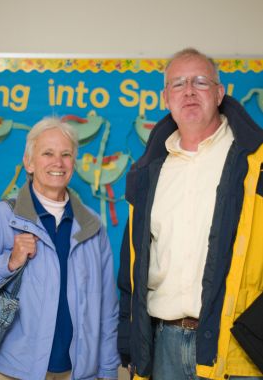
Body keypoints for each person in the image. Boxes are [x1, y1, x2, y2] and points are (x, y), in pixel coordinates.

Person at [117, 48, 263, 380]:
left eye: (200, 81)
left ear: (220, 93)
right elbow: (132, 266)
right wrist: (128, 338)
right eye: (178, 83)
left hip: (237, 347)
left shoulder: (257, 162)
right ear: (165, 97)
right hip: (163, 343)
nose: (189, 91)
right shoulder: (147, 173)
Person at [0, 117, 120, 380]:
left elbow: (107, 307)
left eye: (66, 154)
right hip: (15, 371)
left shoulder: (91, 225)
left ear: (73, 164)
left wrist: (109, 370)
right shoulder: (4, 216)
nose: (58, 162)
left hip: (77, 372)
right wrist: (9, 261)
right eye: (48, 153)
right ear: (29, 163)